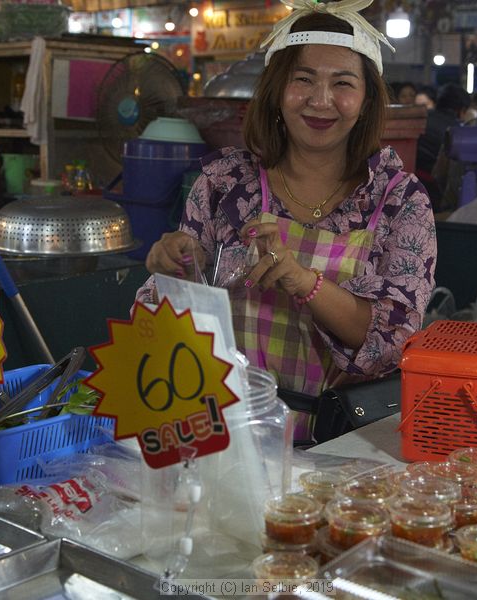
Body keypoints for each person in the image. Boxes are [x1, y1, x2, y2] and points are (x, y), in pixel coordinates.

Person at [135, 0, 436, 438]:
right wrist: (174, 269)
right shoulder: (225, 184)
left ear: (367, 99)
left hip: (340, 445)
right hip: (223, 431)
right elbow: (179, 317)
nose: (320, 100)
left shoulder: (400, 201)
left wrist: (304, 282)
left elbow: (391, 343)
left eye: (343, 83)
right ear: (277, 89)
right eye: (303, 79)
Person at [415, 82, 470, 208]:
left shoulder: (420, 118)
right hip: (435, 192)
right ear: (461, 110)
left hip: (407, 184)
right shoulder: (457, 131)